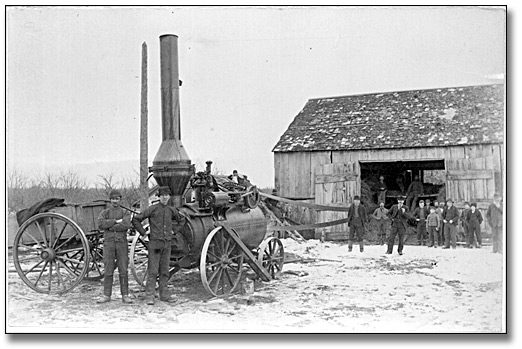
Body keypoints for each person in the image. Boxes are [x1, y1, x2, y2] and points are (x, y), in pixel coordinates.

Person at [132, 186, 186, 305]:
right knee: (153, 271)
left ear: (169, 197)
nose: (165, 197)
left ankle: (164, 295)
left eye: (167, 195)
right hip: (155, 245)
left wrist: (174, 231)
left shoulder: (171, 210)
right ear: (159, 197)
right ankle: (149, 296)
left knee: (165, 271)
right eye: (162, 195)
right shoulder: (152, 209)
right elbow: (136, 219)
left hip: (167, 244)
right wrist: (143, 232)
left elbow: (182, 220)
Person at [96, 189, 133, 304]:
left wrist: (110, 226)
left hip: (122, 243)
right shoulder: (105, 212)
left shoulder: (125, 213)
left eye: (117, 199)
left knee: (123, 269)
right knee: (108, 269)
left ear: (120, 199)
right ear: (110, 200)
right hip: (109, 244)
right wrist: (115, 221)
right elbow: (101, 224)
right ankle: (107, 295)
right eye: (112, 199)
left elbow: (126, 225)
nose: (115, 201)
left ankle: (125, 295)